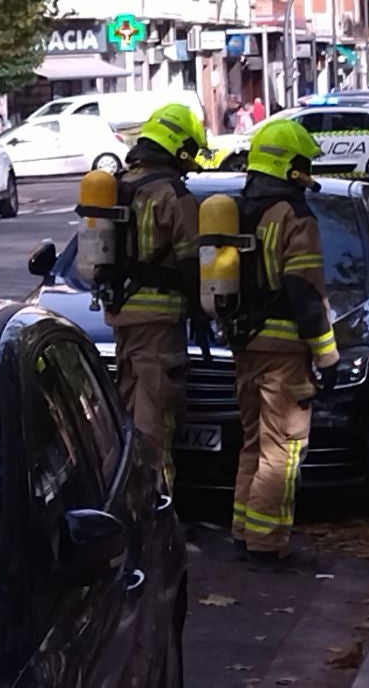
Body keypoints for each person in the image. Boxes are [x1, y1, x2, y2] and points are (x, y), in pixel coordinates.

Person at [229, 118, 339, 571]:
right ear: (292, 167)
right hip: (284, 350)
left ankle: (244, 532)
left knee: (253, 442)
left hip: (245, 344)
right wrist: (327, 354)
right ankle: (267, 543)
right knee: (283, 447)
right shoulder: (294, 216)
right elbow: (305, 292)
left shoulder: (238, 211)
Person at [104, 103, 209, 488]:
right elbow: (193, 262)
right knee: (155, 422)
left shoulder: (118, 187)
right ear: (178, 148)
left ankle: (126, 496)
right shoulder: (173, 196)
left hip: (121, 317)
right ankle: (155, 504)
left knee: (128, 415)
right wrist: (203, 310)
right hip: (159, 326)